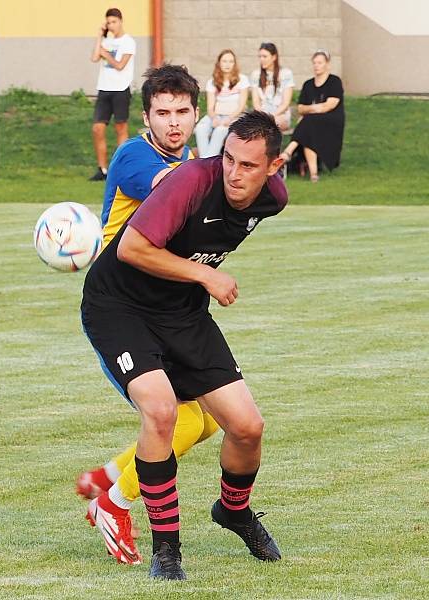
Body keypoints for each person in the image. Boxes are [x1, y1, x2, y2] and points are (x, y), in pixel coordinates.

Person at [81, 111, 286, 580]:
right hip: (119, 306)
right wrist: (205, 273)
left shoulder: (273, 199)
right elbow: (132, 248)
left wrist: (197, 277)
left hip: (182, 314)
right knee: (161, 410)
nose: (234, 173)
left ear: (274, 168)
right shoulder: (191, 181)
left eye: (249, 166)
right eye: (229, 158)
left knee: (247, 426)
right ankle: (166, 551)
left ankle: (234, 511)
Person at [78, 63, 221, 564]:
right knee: (172, 419)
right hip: (117, 308)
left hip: (165, 310)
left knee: (204, 424)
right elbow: (173, 186)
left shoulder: (195, 161)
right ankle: (113, 503)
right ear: (146, 117)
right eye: (163, 112)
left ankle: (112, 475)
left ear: (196, 113)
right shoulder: (134, 156)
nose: (174, 122)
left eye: (183, 111)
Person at [279, 50, 345, 182]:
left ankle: (287, 152)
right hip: (312, 123)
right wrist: (316, 109)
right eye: (314, 63)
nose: (316, 66)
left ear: (327, 64)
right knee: (309, 129)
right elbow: (300, 108)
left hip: (332, 121)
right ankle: (314, 174)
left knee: (308, 122)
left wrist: (311, 109)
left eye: (320, 63)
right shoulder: (308, 84)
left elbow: (330, 105)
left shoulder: (334, 81)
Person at [88, 7, 136, 181]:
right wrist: (100, 36)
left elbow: (120, 65)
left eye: (114, 22)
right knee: (97, 128)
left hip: (121, 89)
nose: (111, 25)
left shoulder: (128, 42)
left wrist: (106, 54)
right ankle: (102, 169)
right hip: (104, 89)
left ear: (120, 21)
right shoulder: (106, 42)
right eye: (108, 22)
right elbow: (94, 58)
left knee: (120, 128)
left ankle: (122, 168)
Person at [194, 49, 249, 158]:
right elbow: (210, 108)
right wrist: (214, 118)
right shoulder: (212, 82)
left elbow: (241, 106)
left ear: (235, 64)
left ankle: (206, 162)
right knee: (200, 128)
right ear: (219, 63)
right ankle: (206, 161)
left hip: (235, 116)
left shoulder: (242, 80)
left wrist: (229, 119)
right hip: (217, 115)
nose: (227, 64)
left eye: (231, 61)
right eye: (224, 61)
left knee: (220, 131)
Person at [250, 42, 294, 132]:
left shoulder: (286, 74)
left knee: (270, 125)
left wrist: (271, 116)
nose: (261, 59)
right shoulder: (255, 75)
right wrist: (263, 116)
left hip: (280, 115)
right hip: (262, 115)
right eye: (260, 57)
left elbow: (285, 104)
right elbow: (256, 103)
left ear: (274, 57)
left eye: (265, 56)